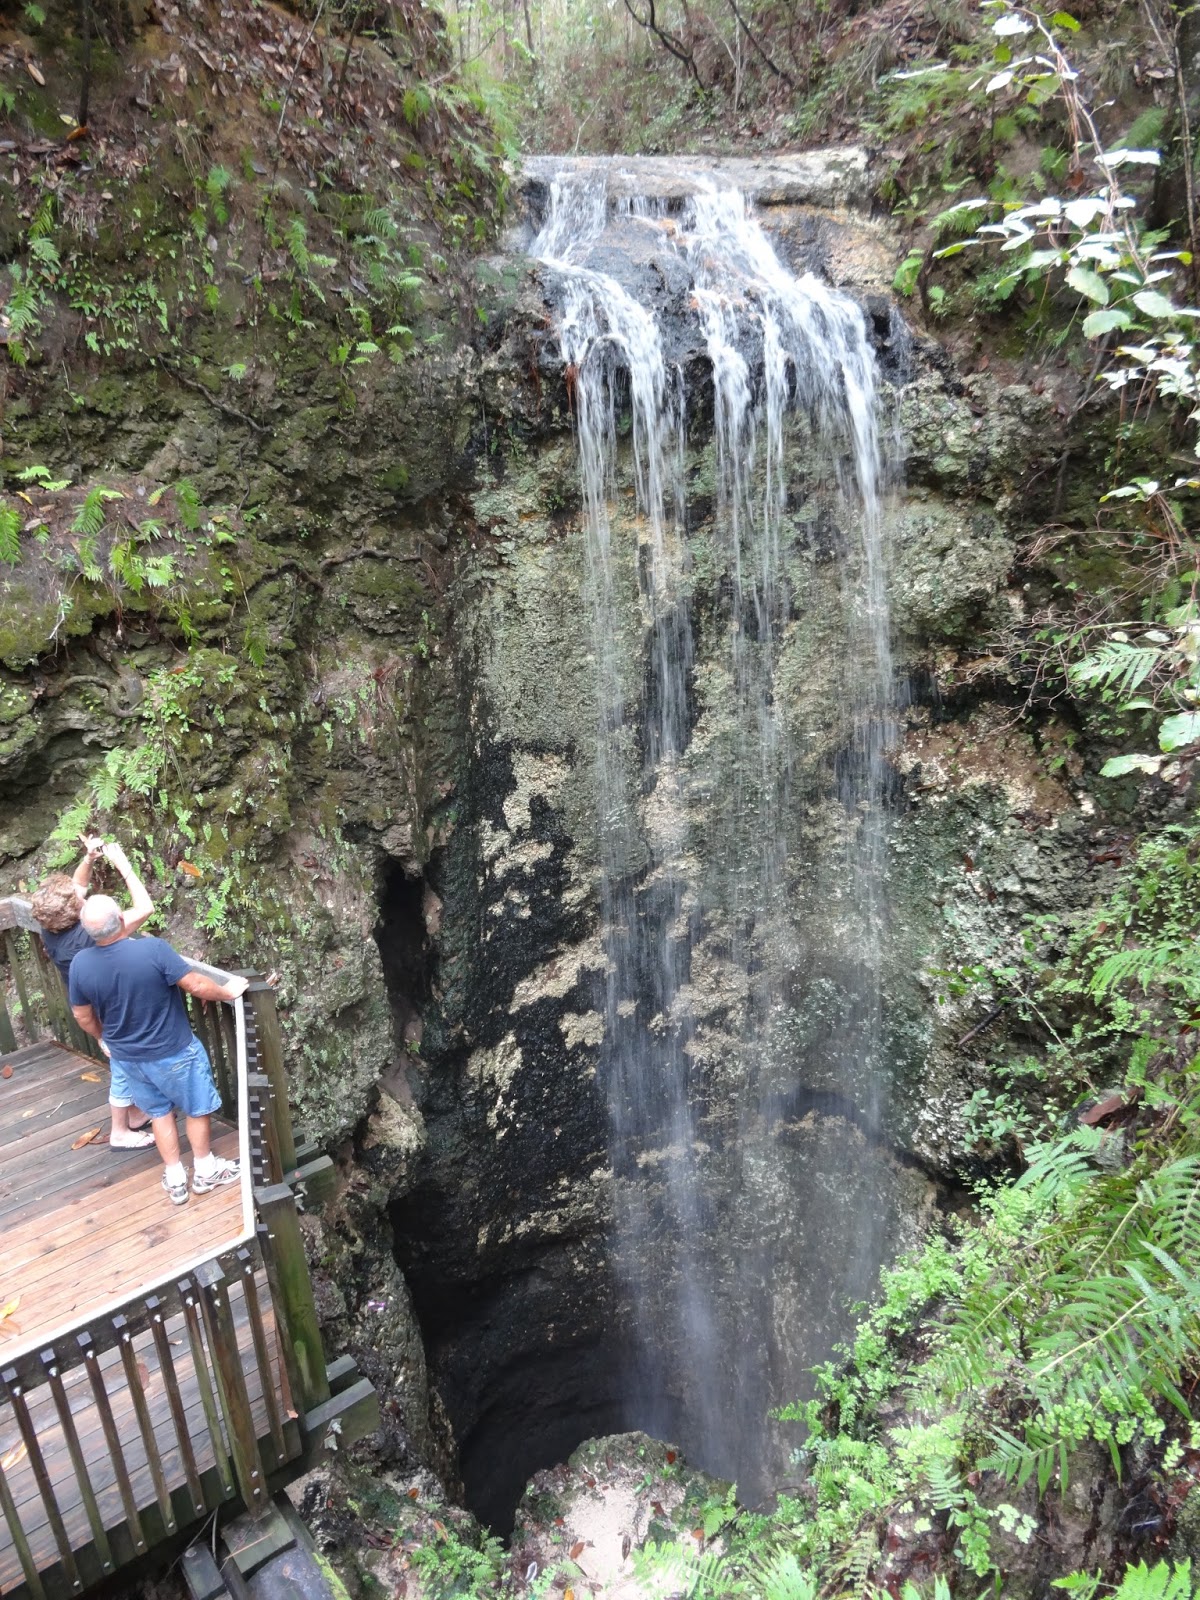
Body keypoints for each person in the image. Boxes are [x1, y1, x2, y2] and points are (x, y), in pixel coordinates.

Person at [68, 895, 249, 1206]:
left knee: (159, 1114)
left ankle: (176, 1178)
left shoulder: (80, 964)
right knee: (196, 1108)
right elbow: (196, 985)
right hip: (173, 1049)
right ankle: (205, 1170)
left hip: (129, 1059)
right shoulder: (151, 949)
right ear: (121, 920)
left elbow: (82, 1015)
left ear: (88, 931)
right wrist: (227, 993)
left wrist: (104, 1037)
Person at [31, 836, 158, 1150]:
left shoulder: (52, 928)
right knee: (123, 1063)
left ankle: (136, 1113)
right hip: (112, 1006)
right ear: (75, 913)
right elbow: (145, 908)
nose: (80, 894)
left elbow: (75, 888)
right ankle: (120, 1130)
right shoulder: (91, 935)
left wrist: (88, 859)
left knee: (123, 1058)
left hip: (93, 1000)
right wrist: (125, 869)